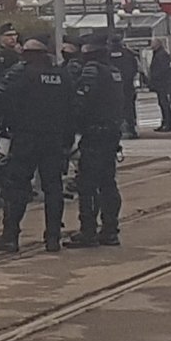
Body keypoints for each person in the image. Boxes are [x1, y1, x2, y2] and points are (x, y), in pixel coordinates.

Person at [0, 35, 71, 252]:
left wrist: (5, 125)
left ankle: (10, 236)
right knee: (53, 188)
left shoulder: (20, 74)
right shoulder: (61, 75)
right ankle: (53, 238)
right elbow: (72, 108)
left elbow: (1, 100)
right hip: (53, 139)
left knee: (16, 188)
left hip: (25, 139)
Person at [65, 32, 122, 247]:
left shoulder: (91, 71)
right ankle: (110, 228)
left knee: (87, 183)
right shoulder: (113, 71)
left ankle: (88, 230)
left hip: (94, 134)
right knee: (108, 182)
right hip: (110, 133)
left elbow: (81, 103)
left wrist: (71, 127)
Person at [146, 38, 171, 133]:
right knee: (162, 103)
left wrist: (155, 77)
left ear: (158, 44)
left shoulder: (162, 55)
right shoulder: (158, 54)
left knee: (164, 103)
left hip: (163, 83)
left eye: (152, 43)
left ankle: (167, 124)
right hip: (160, 83)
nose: (151, 45)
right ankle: (164, 123)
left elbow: (163, 70)